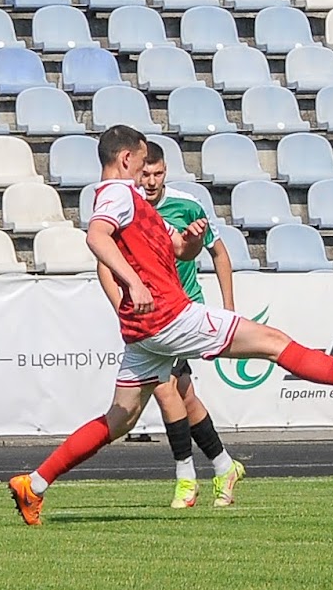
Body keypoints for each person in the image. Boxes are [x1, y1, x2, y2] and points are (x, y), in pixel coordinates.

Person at [7, 125, 333, 525]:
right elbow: (96, 237)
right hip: (169, 316)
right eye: (142, 161)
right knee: (274, 342)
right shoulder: (116, 194)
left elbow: (178, 249)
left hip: (144, 333)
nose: (145, 170)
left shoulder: (136, 203)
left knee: (120, 419)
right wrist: (132, 281)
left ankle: (35, 484)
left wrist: (192, 238)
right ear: (127, 158)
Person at [96, 141, 241, 509]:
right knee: (184, 396)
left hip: (182, 311)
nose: (150, 180)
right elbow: (104, 263)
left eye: (157, 174)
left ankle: (185, 478)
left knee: (166, 392)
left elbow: (218, 252)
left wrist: (228, 308)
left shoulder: (186, 205)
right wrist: (122, 307)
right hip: (148, 316)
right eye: (145, 173)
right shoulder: (126, 202)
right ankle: (224, 466)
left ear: (165, 172)